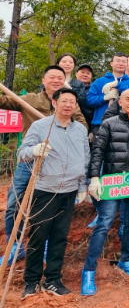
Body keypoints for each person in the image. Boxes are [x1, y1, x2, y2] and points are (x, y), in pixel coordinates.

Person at [0, 66, 87, 266]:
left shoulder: (69, 102)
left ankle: (48, 245)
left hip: (57, 164)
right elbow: (4, 101)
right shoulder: (30, 99)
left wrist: (65, 126)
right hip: (32, 158)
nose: (56, 80)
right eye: (52, 77)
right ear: (44, 79)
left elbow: (82, 125)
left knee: (52, 207)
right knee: (15, 201)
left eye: (60, 77)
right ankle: (15, 246)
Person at [81, 89, 129, 296]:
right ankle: (88, 270)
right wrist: (94, 177)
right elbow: (97, 152)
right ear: (120, 102)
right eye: (128, 99)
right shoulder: (109, 123)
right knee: (104, 222)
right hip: (112, 181)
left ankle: (126, 259)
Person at [19, 88, 90, 299]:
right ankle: (31, 281)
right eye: (64, 101)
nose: (68, 105)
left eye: (72, 102)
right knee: (38, 237)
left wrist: (82, 186)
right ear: (54, 102)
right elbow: (22, 153)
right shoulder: (40, 126)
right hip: (45, 190)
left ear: (76, 105)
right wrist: (34, 150)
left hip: (69, 191)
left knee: (59, 237)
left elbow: (85, 158)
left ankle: (53, 279)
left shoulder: (80, 130)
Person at [86, 52, 129, 133]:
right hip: (100, 123)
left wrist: (118, 85)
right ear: (111, 63)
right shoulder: (99, 81)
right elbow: (89, 100)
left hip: (124, 125)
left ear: (127, 65)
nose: (121, 63)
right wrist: (104, 98)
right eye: (118, 61)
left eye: (124, 61)